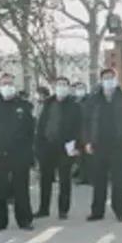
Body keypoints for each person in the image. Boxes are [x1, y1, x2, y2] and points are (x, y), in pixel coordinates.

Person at [84, 69, 122, 222]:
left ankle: (120, 211)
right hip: (99, 143)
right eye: (105, 78)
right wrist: (87, 141)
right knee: (99, 180)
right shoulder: (94, 99)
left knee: (119, 180)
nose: (108, 80)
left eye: (111, 77)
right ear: (101, 81)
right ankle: (97, 211)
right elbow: (86, 121)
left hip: (119, 143)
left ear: (116, 79)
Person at [0, 73, 35, 231]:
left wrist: (29, 154)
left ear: (15, 86)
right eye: (4, 84)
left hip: (20, 153)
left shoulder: (25, 106)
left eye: (10, 83)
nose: (7, 87)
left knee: (21, 188)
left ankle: (25, 220)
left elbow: (31, 131)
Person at [34, 77, 82, 219]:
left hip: (66, 146)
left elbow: (79, 128)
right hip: (47, 145)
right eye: (59, 84)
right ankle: (43, 209)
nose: (61, 87)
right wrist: (38, 145)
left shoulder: (75, 105)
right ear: (54, 87)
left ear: (68, 87)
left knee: (64, 179)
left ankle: (63, 210)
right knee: (45, 179)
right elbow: (41, 125)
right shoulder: (48, 103)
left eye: (64, 84)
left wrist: (77, 146)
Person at [72, 81, 93, 186]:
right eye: (78, 88)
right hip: (77, 132)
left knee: (89, 157)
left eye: (81, 88)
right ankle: (82, 177)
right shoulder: (74, 102)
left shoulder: (90, 101)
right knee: (80, 157)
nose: (79, 90)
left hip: (88, 132)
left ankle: (90, 178)